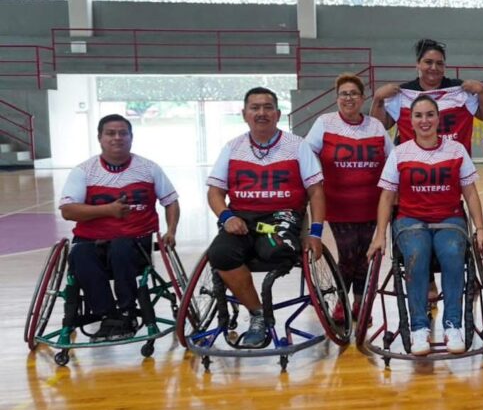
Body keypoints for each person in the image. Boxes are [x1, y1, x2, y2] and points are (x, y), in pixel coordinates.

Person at [367, 95, 483, 356]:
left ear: (438, 118)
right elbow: (387, 197)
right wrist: (380, 235)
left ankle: (452, 325)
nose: (424, 120)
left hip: (449, 218)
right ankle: (419, 328)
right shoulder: (400, 153)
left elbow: (470, 193)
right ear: (410, 121)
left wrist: (481, 229)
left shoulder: (456, 150)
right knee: (417, 253)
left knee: (453, 253)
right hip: (411, 220)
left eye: (429, 115)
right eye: (418, 115)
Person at [206, 87, 326, 348]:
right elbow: (215, 192)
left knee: (276, 251)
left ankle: (259, 306)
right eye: (255, 107)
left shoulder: (297, 146)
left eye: (267, 107)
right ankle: (258, 314)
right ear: (244, 114)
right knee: (220, 254)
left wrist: (315, 233)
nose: (261, 112)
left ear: (278, 114)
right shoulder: (232, 147)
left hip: (282, 217)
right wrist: (226, 217)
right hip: (241, 219)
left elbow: (316, 191)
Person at [59, 114, 180, 341]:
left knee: (121, 246)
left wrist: (171, 231)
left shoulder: (149, 168)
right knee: (80, 254)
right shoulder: (83, 171)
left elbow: (171, 201)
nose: (117, 138)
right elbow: (68, 211)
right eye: (110, 133)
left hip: (135, 241)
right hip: (91, 241)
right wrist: (108, 210)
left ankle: (127, 311)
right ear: (100, 138)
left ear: (131, 137)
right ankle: (107, 315)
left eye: (123, 133)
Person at [305, 73, 392, 322]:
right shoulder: (325, 123)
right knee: (348, 255)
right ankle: (342, 303)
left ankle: (360, 304)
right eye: (344, 94)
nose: (349, 98)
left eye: (354, 93)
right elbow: (306, 154)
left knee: (364, 257)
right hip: (339, 204)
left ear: (362, 98)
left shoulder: (375, 126)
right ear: (337, 98)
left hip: (371, 204)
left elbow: (392, 158)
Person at [370, 38, 483, 152]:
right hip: (414, 164)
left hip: (454, 164)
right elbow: (380, 126)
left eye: (439, 63)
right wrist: (378, 99)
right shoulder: (403, 93)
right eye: (428, 62)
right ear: (418, 64)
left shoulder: (461, 91)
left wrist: (482, 91)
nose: (434, 67)